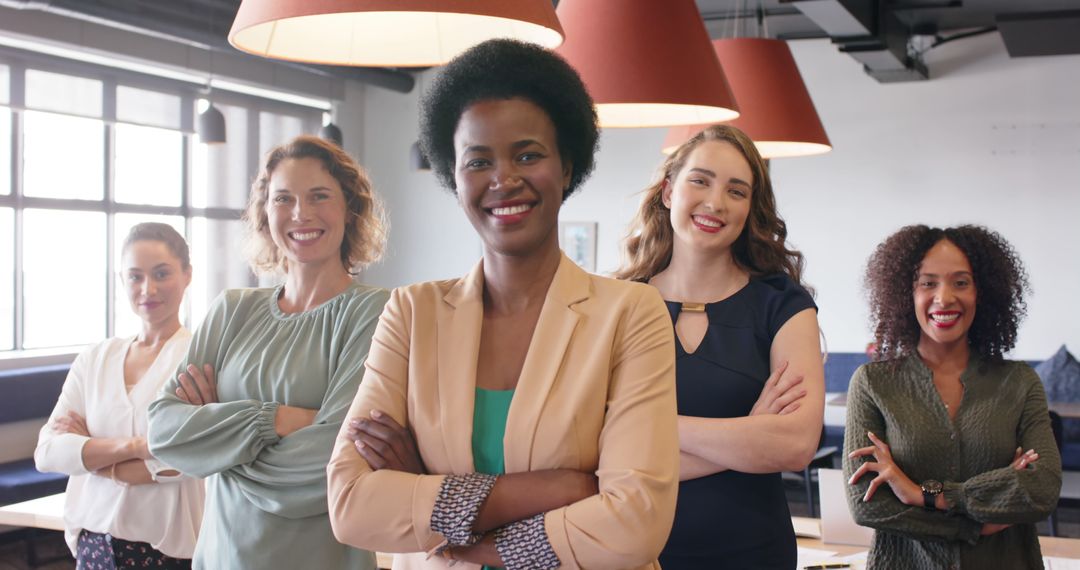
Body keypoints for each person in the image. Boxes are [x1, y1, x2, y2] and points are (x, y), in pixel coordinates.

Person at [326, 39, 679, 570]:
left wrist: (434, 495)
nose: (503, 179)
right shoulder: (411, 312)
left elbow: (635, 524)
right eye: (478, 161)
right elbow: (351, 506)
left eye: (528, 154)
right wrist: (557, 489)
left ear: (567, 166)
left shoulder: (631, 314)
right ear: (454, 175)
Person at [147, 136, 390, 569]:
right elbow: (164, 432)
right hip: (222, 555)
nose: (301, 213)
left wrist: (218, 447)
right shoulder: (232, 310)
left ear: (350, 210)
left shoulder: (375, 312)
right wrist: (272, 420)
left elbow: (334, 465)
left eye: (319, 196)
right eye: (284, 199)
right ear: (265, 214)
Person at [615, 124, 825, 569]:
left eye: (736, 190)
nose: (715, 203)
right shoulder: (618, 304)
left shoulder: (782, 303)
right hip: (634, 553)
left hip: (754, 554)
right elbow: (594, 454)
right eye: (700, 180)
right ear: (669, 191)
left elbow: (795, 445)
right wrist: (748, 434)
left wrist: (647, 429)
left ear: (751, 208)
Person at [844, 224, 1062, 569]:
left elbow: (1043, 489)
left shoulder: (1020, 382)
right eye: (928, 283)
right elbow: (868, 505)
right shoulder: (873, 383)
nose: (944, 297)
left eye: (961, 282)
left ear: (983, 292)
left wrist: (923, 494)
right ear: (906, 294)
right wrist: (976, 525)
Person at [35, 222, 203, 569]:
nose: (148, 289)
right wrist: (139, 448)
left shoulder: (200, 358)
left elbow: (192, 457)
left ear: (187, 275)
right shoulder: (96, 358)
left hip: (166, 551)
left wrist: (92, 455)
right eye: (135, 276)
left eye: (161, 273)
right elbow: (49, 452)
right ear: (121, 280)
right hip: (93, 544)